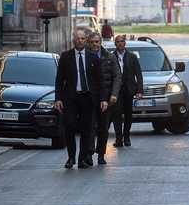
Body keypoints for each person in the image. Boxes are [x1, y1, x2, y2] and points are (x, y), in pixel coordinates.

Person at [55, 29, 107, 169]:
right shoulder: (66, 57)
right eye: (78, 38)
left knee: (86, 129)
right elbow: (59, 79)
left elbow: (100, 80)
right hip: (71, 98)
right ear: (73, 40)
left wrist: (103, 99)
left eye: (83, 38)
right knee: (70, 126)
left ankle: (82, 158)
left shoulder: (93, 57)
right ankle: (71, 157)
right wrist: (58, 98)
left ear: (86, 40)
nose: (80, 41)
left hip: (88, 98)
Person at [87, 32, 121, 165]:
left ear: (100, 42)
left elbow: (117, 76)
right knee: (90, 128)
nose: (94, 44)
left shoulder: (109, 57)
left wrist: (114, 94)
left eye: (96, 42)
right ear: (89, 43)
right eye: (92, 42)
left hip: (106, 99)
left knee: (103, 128)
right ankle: (89, 154)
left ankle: (101, 154)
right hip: (90, 99)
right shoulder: (86, 57)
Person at [112, 35, 143, 147]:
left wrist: (140, 90)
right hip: (116, 91)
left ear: (125, 43)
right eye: (118, 42)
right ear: (115, 44)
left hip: (129, 90)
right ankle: (118, 139)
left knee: (128, 115)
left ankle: (127, 137)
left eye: (122, 41)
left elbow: (138, 74)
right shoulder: (111, 57)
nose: (120, 43)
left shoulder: (132, 57)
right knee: (116, 114)